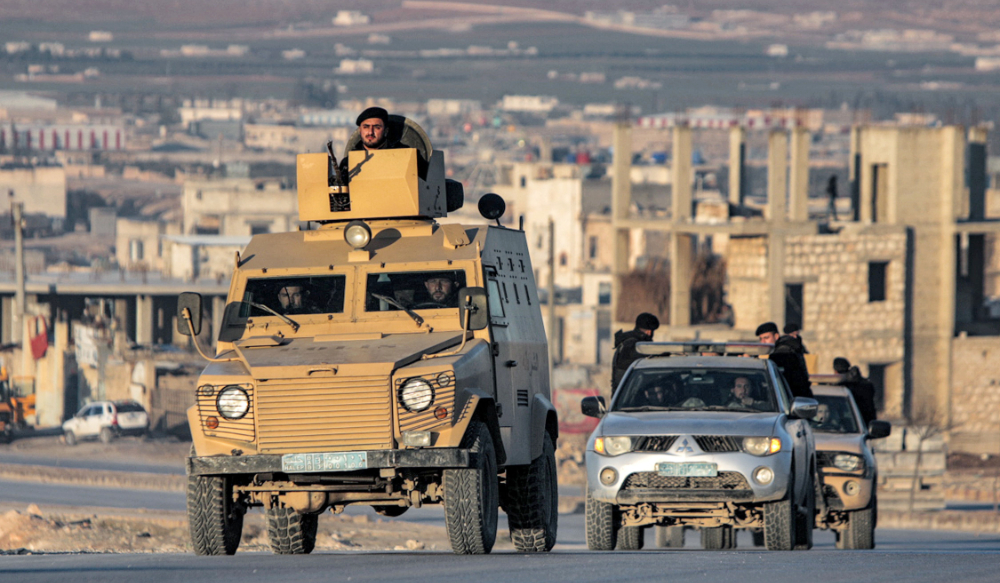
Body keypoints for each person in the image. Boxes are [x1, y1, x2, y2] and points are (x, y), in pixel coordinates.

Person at [756, 321, 813, 398]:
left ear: (776, 336)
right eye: (761, 339)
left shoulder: (782, 352)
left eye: (766, 338)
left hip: (794, 398)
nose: (763, 342)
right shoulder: (787, 348)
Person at [611, 313, 660, 393]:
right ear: (649, 332)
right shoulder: (633, 346)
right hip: (628, 399)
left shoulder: (627, 343)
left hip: (626, 397)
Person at [834, 357, 877, 425]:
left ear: (835, 371)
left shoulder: (840, 387)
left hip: (853, 424)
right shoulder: (866, 384)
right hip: (867, 422)